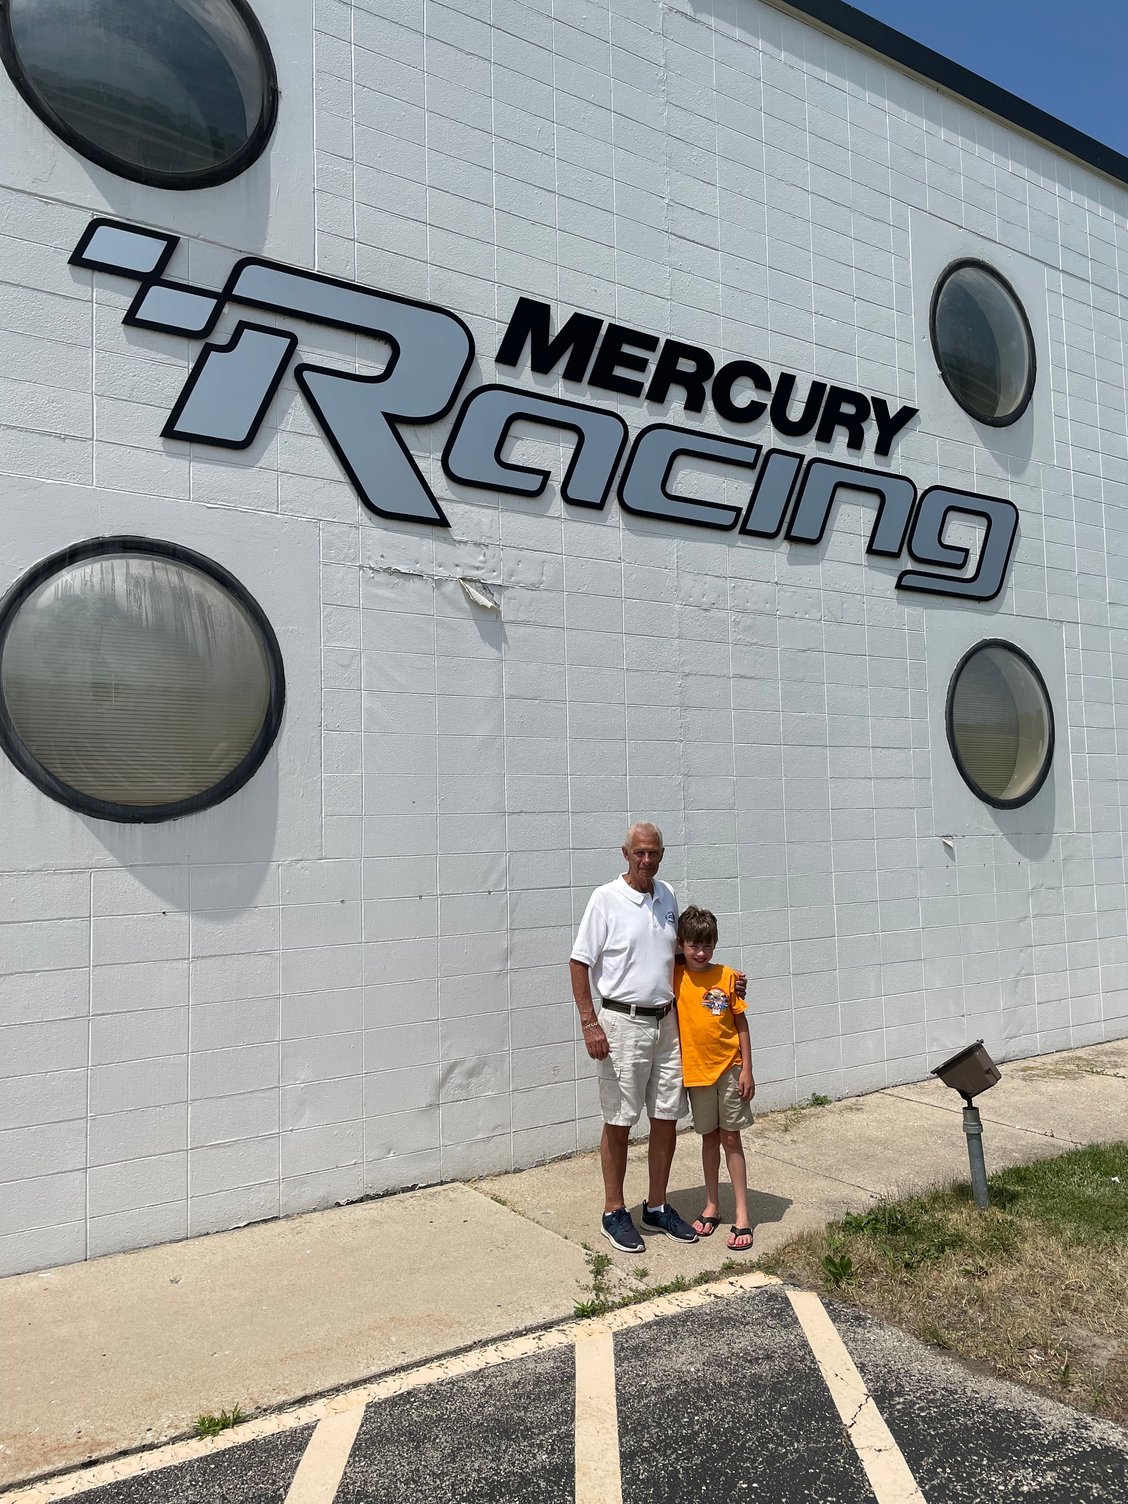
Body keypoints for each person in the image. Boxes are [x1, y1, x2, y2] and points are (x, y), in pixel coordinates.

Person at [569, 822, 700, 1253]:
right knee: (620, 1120)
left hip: (666, 1023)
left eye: (653, 853)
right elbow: (579, 962)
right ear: (625, 853)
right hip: (622, 1025)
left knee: (666, 1117)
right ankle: (614, 1211)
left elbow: (681, 957)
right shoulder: (605, 899)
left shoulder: (667, 896)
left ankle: (657, 1206)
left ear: (662, 854)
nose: (646, 860)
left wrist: (722, 982)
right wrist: (590, 1022)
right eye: (639, 852)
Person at [674, 905, 757, 1252]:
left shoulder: (727, 977)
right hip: (696, 1072)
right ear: (681, 944)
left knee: (731, 1138)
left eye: (707, 945)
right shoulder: (674, 976)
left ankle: (742, 1215)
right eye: (693, 945)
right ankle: (712, 1205)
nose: (700, 953)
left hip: (730, 1069)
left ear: (715, 944)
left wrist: (747, 1068)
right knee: (709, 1139)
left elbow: (741, 1023)